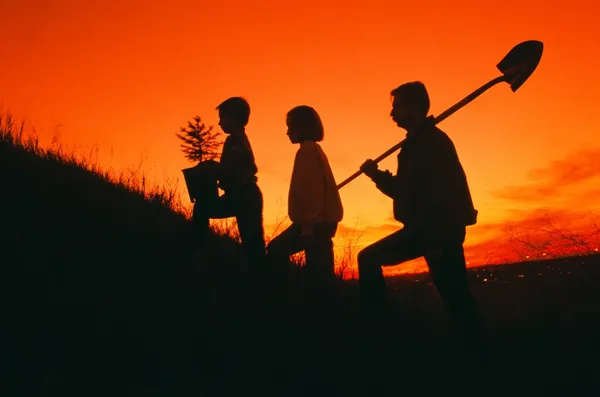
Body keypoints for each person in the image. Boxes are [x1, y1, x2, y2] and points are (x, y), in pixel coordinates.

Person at [358, 81, 484, 355]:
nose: (392, 114)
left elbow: (444, 193)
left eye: (397, 106)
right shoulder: (414, 145)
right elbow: (404, 191)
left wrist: (437, 240)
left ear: (415, 106)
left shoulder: (433, 143)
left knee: (455, 295)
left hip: (437, 231)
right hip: (422, 230)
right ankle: (378, 328)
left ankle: (477, 355)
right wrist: (376, 174)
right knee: (454, 295)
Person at [266, 105, 344, 288]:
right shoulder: (315, 150)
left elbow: (311, 192)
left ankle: (283, 296)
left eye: (290, 127)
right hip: (322, 223)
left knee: (277, 249)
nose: (287, 132)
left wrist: (307, 228)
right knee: (321, 274)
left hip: (314, 224)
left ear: (301, 127)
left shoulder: (306, 152)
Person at [191, 96, 266, 273]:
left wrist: (211, 170)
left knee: (202, 209)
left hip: (243, 196)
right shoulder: (240, 139)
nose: (219, 123)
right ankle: (261, 277)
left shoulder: (235, 140)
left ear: (234, 118)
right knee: (253, 242)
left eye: (222, 117)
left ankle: (199, 253)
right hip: (245, 195)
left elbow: (229, 170)